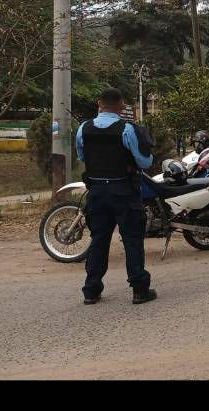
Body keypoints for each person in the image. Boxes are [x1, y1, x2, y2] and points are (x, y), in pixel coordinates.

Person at [75, 88, 156, 305]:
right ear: (121, 106)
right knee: (132, 240)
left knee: (99, 240)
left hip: (97, 192)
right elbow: (145, 162)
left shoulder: (84, 128)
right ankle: (139, 290)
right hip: (124, 191)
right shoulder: (127, 129)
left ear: (99, 103)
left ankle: (91, 290)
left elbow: (82, 155)